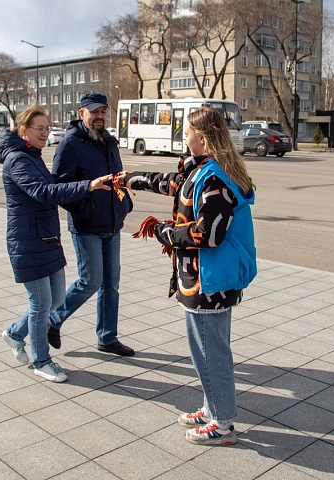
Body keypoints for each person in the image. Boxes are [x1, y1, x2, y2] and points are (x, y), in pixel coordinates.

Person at [116, 106, 257, 445]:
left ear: (203, 140)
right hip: (201, 277)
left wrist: (163, 231)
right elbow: (167, 183)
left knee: (211, 353)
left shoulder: (213, 180)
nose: (185, 136)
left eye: (188, 132)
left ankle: (222, 424)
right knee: (204, 350)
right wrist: (125, 178)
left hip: (211, 280)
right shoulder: (201, 170)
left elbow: (209, 235)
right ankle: (212, 409)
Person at [0, 105, 113, 383]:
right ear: (23, 130)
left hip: (47, 238)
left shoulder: (32, 156)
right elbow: (43, 192)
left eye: (48, 128)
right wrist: (87, 185)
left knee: (56, 299)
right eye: (40, 128)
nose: (46, 134)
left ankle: (13, 333)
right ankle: (42, 361)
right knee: (40, 304)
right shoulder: (18, 160)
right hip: (27, 240)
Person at [48, 93, 134, 357]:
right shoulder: (70, 144)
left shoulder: (109, 142)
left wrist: (124, 203)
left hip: (112, 224)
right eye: (94, 111)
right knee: (90, 281)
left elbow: (115, 178)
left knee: (111, 283)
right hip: (87, 226)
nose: (99, 117)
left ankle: (107, 337)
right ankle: (52, 319)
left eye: (103, 112)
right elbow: (60, 187)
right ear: (81, 112)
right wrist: (86, 210)